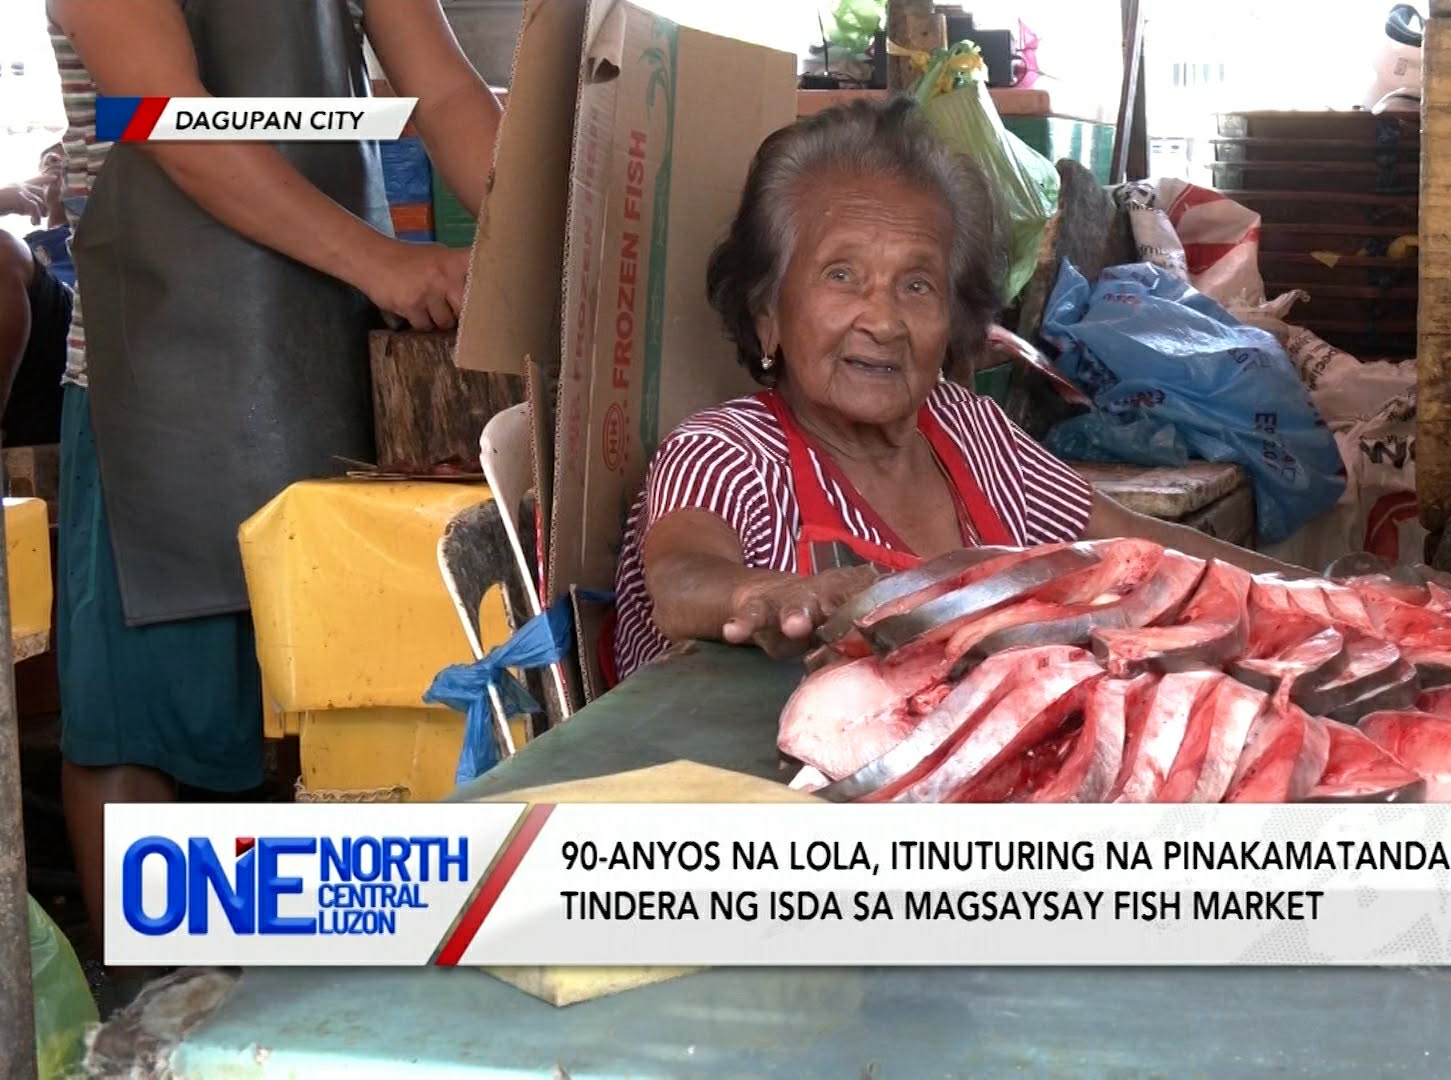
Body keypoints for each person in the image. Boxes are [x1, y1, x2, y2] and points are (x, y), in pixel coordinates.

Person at [49, 0, 502, 959]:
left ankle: (309, 1012)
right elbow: (166, 113)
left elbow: (448, 93)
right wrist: (385, 262)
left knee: (332, 705)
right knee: (140, 731)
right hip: (154, 378)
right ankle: (160, 1018)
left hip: (324, 357)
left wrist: (542, 248)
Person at [612, 99, 1301, 676]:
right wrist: (768, 593)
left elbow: (1133, 546)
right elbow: (681, 577)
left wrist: (1316, 597)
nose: (882, 320)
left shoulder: (968, 428)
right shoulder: (726, 452)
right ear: (768, 315)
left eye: (917, 284)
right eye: (841, 275)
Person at [0, 144, 74, 447]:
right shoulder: (27, 249)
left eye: (70, 155)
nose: (58, 162)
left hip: (78, 333)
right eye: (50, 159)